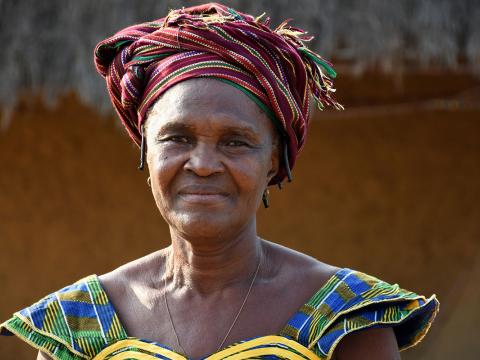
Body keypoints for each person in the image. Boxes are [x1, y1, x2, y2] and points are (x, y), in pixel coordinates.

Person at [1, 3, 439, 359]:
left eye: (235, 142)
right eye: (177, 137)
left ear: (274, 161)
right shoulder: (81, 326)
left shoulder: (345, 318)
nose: (204, 164)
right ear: (146, 152)